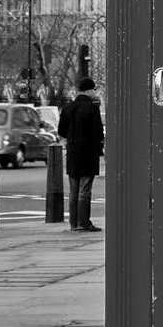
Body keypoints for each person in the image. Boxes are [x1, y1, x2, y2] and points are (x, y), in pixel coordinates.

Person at [58, 76, 104, 232]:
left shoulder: (68, 108)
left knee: (73, 190)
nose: (94, 92)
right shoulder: (92, 108)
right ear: (89, 90)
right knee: (85, 190)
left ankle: (73, 223)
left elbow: (61, 131)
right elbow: (98, 133)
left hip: (72, 153)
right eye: (94, 90)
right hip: (88, 153)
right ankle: (84, 222)